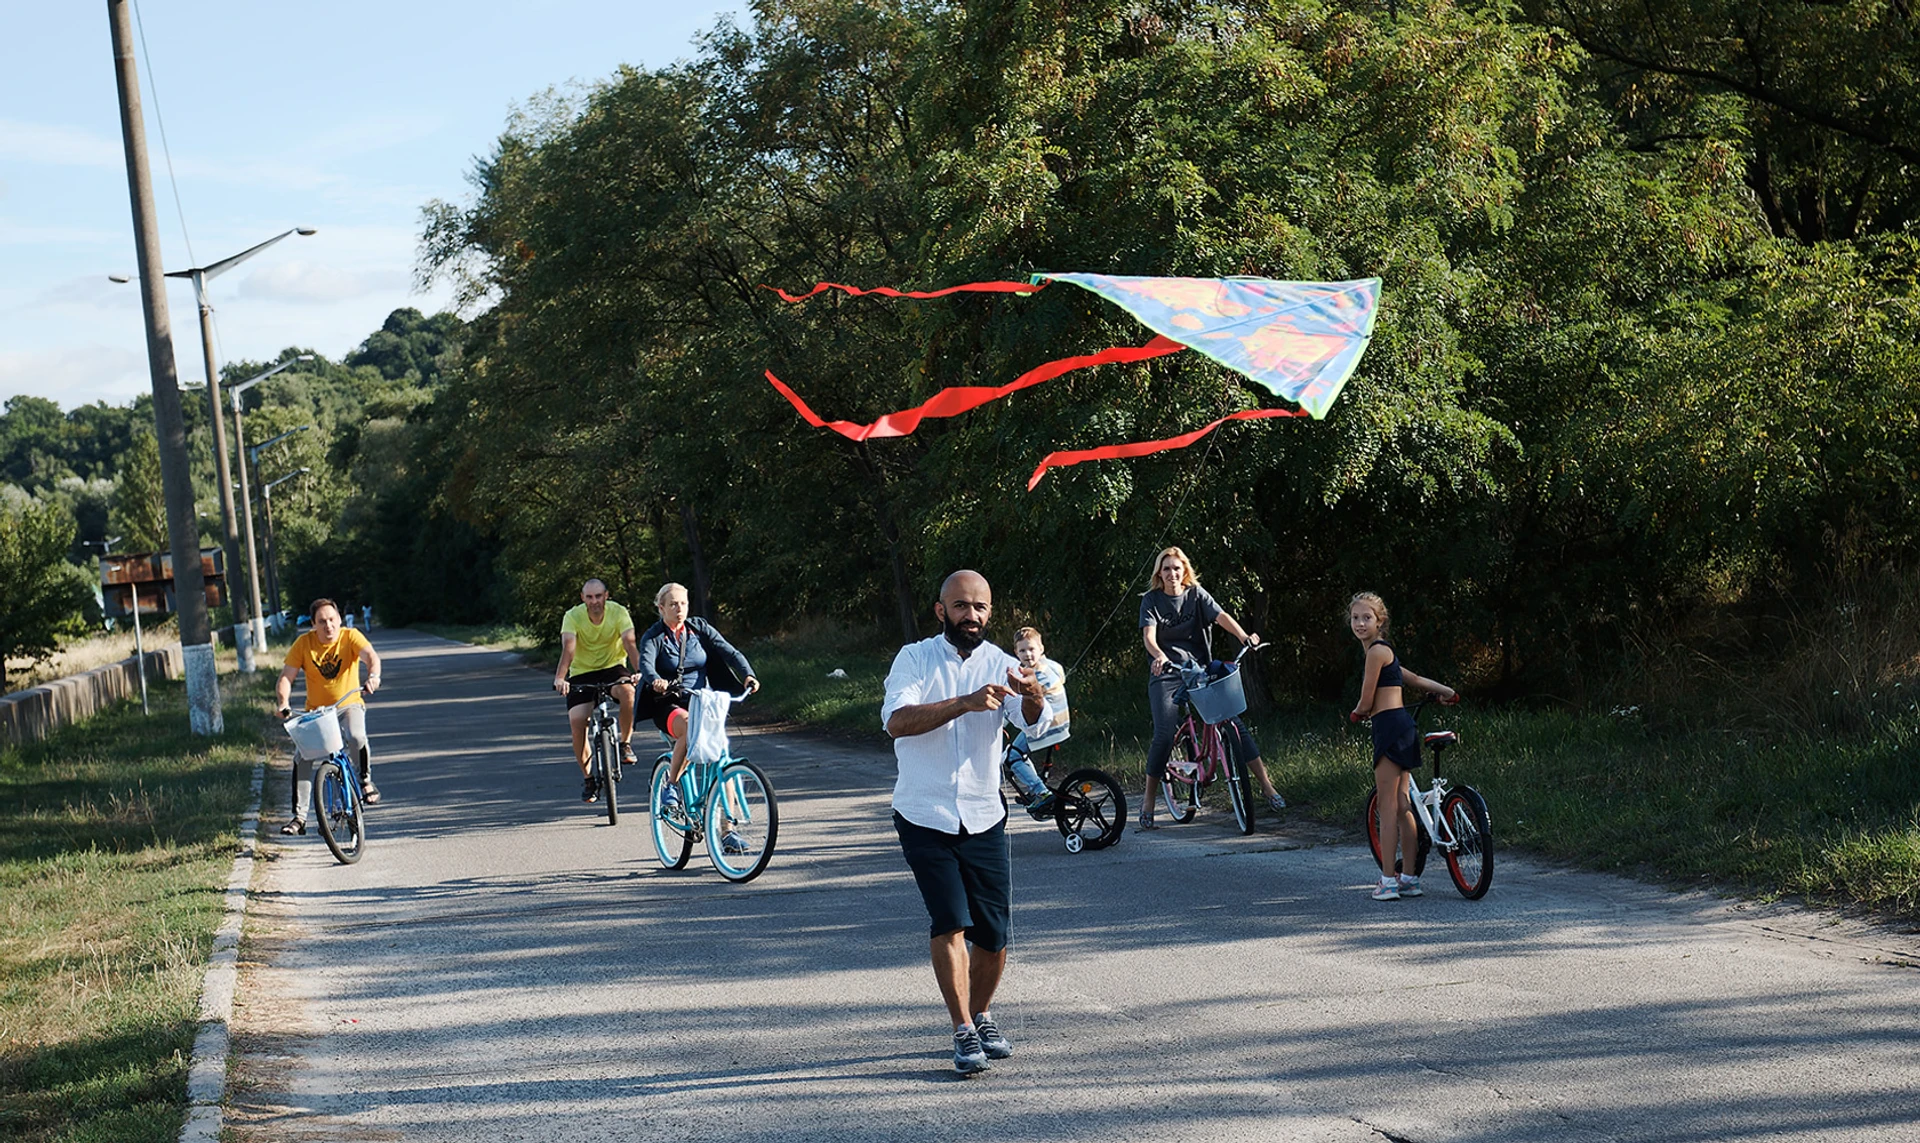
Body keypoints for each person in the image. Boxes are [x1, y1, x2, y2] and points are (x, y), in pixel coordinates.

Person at [882, 570, 1053, 1075]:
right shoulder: (914, 658)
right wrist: (964, 703)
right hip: (924, 812)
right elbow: (896, 721)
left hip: (983, 813)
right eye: (960, 606)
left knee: (994, 934)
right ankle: (962, 1029)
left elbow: (1034, 722)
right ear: (941, 611)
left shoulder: (1004, 663)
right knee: (950, 919)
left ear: (989, 613)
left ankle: (981, 1014)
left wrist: (1034, 696)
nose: (971, 616)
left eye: (979, 607)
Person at [1137, 545, 1285, 829]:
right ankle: (1148, 801)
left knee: (1235, 724)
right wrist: (1159, 656)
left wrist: (1244, 637)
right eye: (1166, 568)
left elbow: (1221, 616)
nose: (1172, 573)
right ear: (1159, 572)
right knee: (1165, 733)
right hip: (1167, 672)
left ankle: (1267, 787)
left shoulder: (1196, 594)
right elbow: (1149, 636)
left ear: (1185, 571)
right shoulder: (1151, 601)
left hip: (1200, 670)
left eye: (1177, 568)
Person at [1348, 591, 1457, 901]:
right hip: (1405, 728)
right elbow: (1416, 679)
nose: (1360, 623)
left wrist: (1357, 713)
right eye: (1355, 618)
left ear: (1379, 621)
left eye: (1367, 617)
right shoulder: (1387, 653)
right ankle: (1409, 878)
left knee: (1387, 808)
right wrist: (1448, 691)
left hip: (1389, 726)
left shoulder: (1374, 653)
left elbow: (1367, 698)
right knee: (1403, 805)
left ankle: (1387, 881)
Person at [638, 582, 759, 806]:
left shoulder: (699, 629)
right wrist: (656, 680)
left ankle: (727, 829)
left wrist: (747, 675)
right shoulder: (654, 636)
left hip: (702, 701)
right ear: (661, 608)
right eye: (673, 604)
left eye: (683, 603)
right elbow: (645, 663)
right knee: (688, 727)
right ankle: (671, 785)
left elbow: (730, 652)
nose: (679, 609)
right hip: (668, 704)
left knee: (722, 755)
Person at [276, 598, 382, 834]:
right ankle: (299, 817)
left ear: (340, 619)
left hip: (348, 705)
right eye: (322, 621)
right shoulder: (304, 644)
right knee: (301, 757)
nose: (329, 626)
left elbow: (371, 656)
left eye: (332, 620)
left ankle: (365, 781)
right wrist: (283, 702)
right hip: (317, 713)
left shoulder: (350, 636)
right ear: (313, 624)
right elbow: (286, 677)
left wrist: (373, 676)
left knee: (355, 737)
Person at [552, 578, 640, 803]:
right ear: (583, 598)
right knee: (577, 721)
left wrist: (640, 671)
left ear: (606, 595)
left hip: (613, 668)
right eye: (589, 597)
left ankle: (625, 743)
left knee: (629, 692)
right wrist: (561, 677)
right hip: (582, 672)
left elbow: (630, 644)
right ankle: (589, 778)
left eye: (598, 596)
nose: (594, 601)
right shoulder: (573, 616)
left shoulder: (619, 612)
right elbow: (568, 649)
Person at [1005, 626, 1070, 817]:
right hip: (1062, 723)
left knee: (1013, 756)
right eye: (1022, 650)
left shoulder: (1034, 676)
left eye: (1031, 649)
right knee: (1021, 752)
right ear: (1016, 652)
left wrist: (1003, 720)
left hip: (1047, 726)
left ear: (1041, 649)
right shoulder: (1053, 666)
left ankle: (1040, 791)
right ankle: (1034, 787)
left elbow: (1021, 702)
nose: (1027, 654)